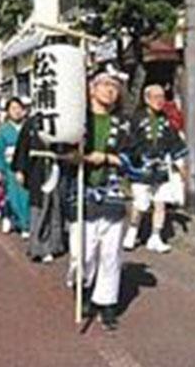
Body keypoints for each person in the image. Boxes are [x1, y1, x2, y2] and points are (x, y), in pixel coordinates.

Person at [68, 66, 133, 331]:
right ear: (91, 89)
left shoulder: (124, 124)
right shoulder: (77, 121)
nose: (110, 90)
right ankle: (83, 289)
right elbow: (61, 153)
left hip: (113, 193)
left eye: (115, 86)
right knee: (82, 252)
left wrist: (105, 158)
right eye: (105, 84)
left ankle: (106, 302)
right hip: (81, 192)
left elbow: (133, 160)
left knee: (110, 252)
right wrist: (77, 157)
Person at [122, 83, 187, 253]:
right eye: (155, 97)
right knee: (140, 204)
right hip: (141, 169)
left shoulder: (166, 119)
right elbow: (127, 143)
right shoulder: (136, 119)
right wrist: (129, 162)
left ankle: (156, 236)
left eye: (162, 97)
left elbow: (175, 144)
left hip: (161, 170)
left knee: (161, 203)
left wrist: (180, 165)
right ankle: (132, 231)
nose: (159, 101)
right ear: (146, 99)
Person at [12, 109, 73, 263]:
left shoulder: (64, 119)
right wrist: (20, 169)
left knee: (56, 205)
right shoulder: (32, 122)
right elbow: (23, 145)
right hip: (37, 169)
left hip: (58, 165)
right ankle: (37, 246)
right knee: (38, 206)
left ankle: (54, 244)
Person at [0, 97, 29, 237]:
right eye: (13, 108)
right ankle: (16, 220)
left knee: (26, 196)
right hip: (10, 167)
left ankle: (25, 224)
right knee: (13, 196)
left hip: (26, 167)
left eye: (19, 108)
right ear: (7, 112)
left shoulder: (28, 126)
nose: (17, 111)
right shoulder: (3, 130)